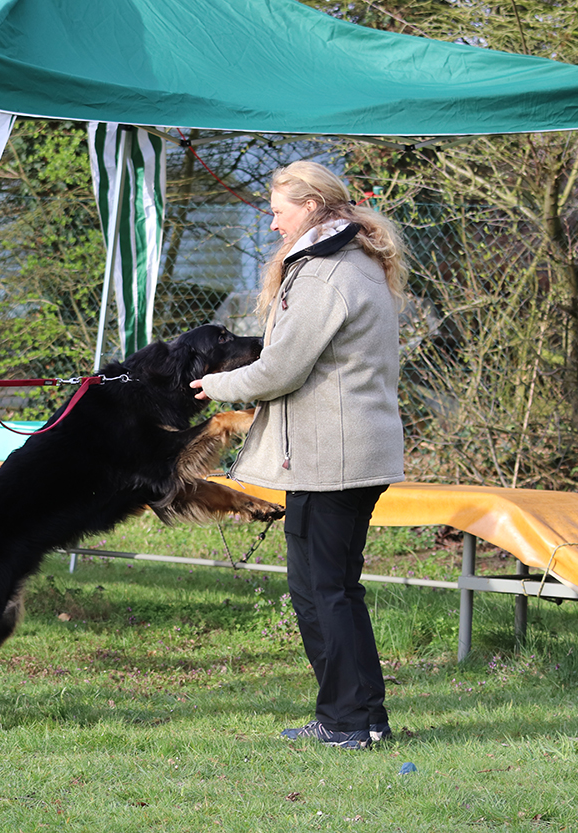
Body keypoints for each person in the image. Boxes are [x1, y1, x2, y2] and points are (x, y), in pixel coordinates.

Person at [190, 160, 407, 750]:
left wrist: (216, 385)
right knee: (336, 589)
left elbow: (281, 369)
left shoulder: (324, 273)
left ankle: (346, 723)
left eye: (278, 210)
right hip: (347, 453)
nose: (272, 223)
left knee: (320, 592)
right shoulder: (357, 261)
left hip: (330, 458)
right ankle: (362, 718)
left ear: (311, 206)